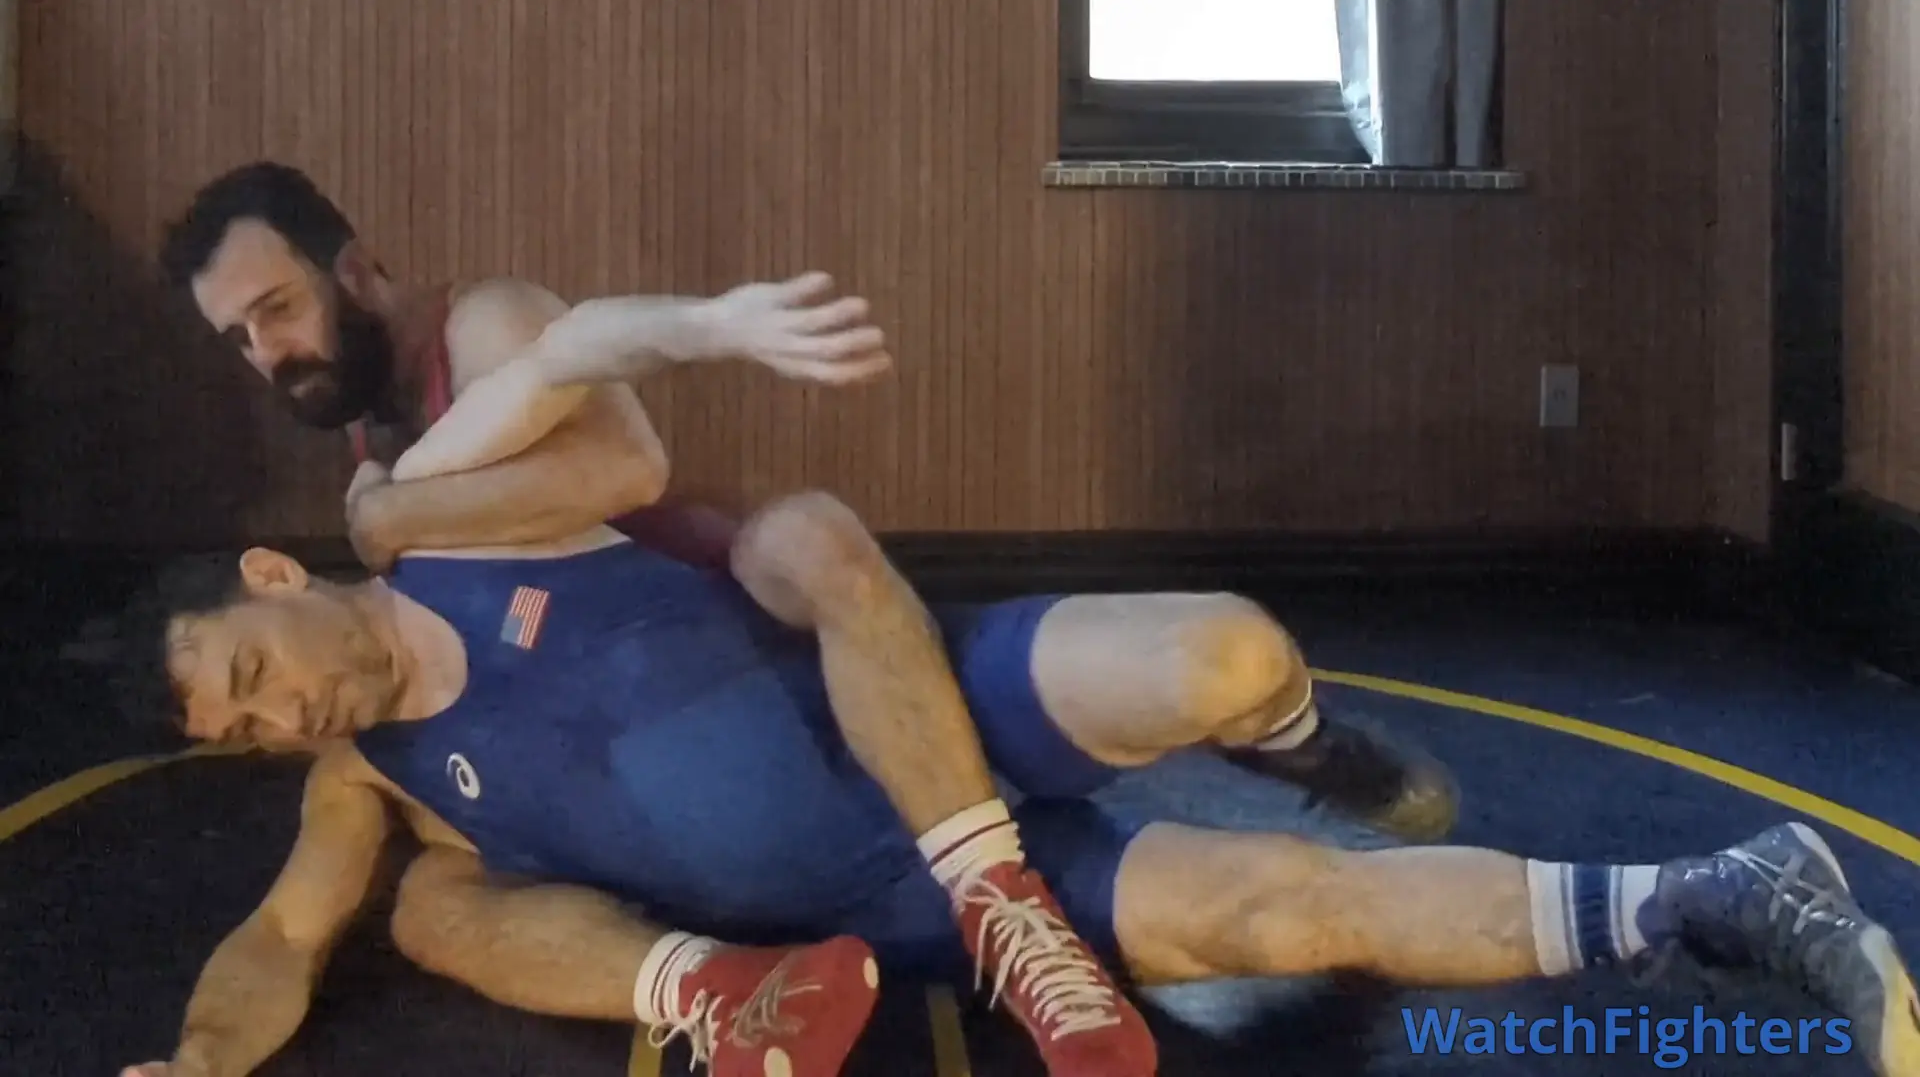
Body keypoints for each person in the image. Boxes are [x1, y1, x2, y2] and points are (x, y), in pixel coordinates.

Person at [149, 162, 1462, 1066]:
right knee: (435, 887)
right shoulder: (374, 456)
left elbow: (624, 469)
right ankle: (723, 977)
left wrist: (394, 519)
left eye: (278, 311)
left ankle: (1299, 744)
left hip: (756, 655)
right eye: (239, 340)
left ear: (356, 268)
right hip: (648, 737)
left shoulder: (474, 340)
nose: (271, 355)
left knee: (1224, 668)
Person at [117, 491, 1919, 1077]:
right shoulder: (372, 783)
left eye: (252, 677)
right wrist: (198, 1062)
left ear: (273, 576)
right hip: (881, 911)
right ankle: (1728, 890)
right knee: (1287, 910)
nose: (281, 717)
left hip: (925, 718)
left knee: (1225, 654)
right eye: (244, 733)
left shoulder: (464, 524)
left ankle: (1299, 742)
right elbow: (276, 943)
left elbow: (591, 396)